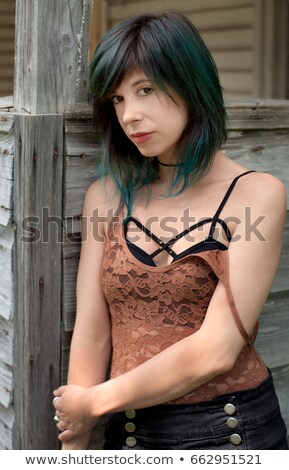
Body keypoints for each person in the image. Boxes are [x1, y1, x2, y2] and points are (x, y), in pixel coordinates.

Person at [52, 10, 288, 450]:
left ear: (190, 84)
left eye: (145, 90)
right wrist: (74, 447)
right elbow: (92, 328)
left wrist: (93, 402)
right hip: (128, 433)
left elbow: (218, 349)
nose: (130, 115)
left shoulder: (256, 195)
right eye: (118, 99)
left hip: (232, 431)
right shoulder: (106, 196)